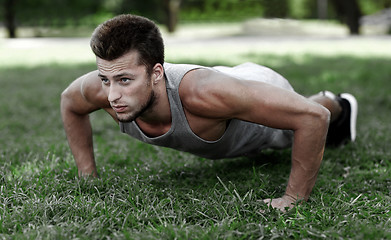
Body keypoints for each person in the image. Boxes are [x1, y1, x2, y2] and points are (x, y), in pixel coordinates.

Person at [60, 14, 358, 212]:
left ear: (156, 73)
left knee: (300, 115)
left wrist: (293, 199)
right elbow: (70, 103)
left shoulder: (204, 94)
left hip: (251, 85)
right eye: (105, 79)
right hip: (226, 86)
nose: (112, 95)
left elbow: (312, 117)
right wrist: (88, 176)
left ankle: (337, 101)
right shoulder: (104, 88)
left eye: (125, 80)